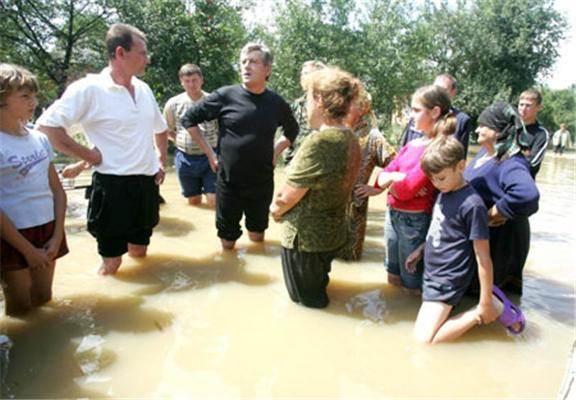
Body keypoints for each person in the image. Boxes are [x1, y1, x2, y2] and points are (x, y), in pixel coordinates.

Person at [37, 23, 168, 276]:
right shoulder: (89, 89)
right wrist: (89, 156)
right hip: (112, 186)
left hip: (145, 183)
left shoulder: (143, 89)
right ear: (121, 53)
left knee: (140, 252)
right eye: (142, 53)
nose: (147, 59)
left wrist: (161, 160)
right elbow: (48, 127)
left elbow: (159, 129)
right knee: (112, 263)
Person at [181, 42, 299, 250]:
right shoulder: (225, 96)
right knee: (227, 242)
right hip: (229, 181)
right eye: (243, 62)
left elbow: (292, 131)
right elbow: (189, 119)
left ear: (267, 69)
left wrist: (276, 151)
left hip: (261, 182)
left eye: (253, 62)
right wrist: (210, 153)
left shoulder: (276, 103)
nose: (246, 66)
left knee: (257, 237)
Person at [270, 67, 362, 308]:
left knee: (307, 304)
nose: (306, 105)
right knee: (317, 294)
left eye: (308, 98)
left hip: (305, 241)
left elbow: (287, 196)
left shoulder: (321, 141)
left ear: (320, 100)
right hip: (332, 234)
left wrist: (276, 211)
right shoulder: (350, 138)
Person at [411, 136, 511, 343]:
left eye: (441, 178)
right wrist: (421, 249)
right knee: (423, 338)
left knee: (423, 342)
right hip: (433, 271)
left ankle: (480, 311)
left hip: (448, 277)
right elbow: (440, 228)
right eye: (432, 179)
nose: (436, 184)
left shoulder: (472, 205)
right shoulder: (445, 192)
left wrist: (484, 303)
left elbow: (483, 256)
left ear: (461, 166)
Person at [357, 85, 454, 295]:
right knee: (392, 276)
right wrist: (391, 179)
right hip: (393, 215)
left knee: (411, 285)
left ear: (435, 112)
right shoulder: (413, 144)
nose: (411, 115)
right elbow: (386, 173)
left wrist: (389, 184)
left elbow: (406, 190)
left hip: (415, 221)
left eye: (416, 110)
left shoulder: (438, 147)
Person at [0, 63, 69, 316]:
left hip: (47, 227)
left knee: (43, 298)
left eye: (34, 95)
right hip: (11, 234)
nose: (33, 102)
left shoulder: (38, 138)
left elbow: (57, 190)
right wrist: (27, 250)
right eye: (24, 96)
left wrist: (57, 235)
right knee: (20, 307)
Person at [464, 101, 540, 294]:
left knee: (492, 299)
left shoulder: (510, 161)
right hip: (485, 239)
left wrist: (493, 214)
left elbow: (527, 195)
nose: (477, 129)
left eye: (484, 125)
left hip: (503, 242)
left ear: (498, 131)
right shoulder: (486, 153)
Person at [340, 89, 396, 261]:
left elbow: (396, 165)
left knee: (350, 259)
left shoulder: (373, 137)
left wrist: (377, 188)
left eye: (349, 103)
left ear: (362, 108)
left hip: (354, 208)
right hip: (328, 207)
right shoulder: (334, 130)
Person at [164, 64, 219, 207]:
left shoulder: (213, 101)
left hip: (211, 156)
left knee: (214, 200)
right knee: (193, 201)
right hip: (185, 157)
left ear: (201, 80)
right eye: (187, 81)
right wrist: (180, 141)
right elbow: (168, 130)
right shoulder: (173, 104)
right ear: (181, 82)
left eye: (194, 80)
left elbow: (222, 130)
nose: (191, 84)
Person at [399, 73, 472, 156]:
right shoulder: (418, 115)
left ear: (453, 92)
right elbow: (404, 147)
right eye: (435, 88)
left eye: (443, 90)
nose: (437, 93)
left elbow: (460, 158)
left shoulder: (461, 120)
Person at [282, 60, 326, 164]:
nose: (302, 77)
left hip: (319, 163)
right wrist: (288, 156)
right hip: (296, 164)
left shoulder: (329, 103)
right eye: (302, 74)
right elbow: (289, 132)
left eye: (306, 73)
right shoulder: (297, 104)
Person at [517, 88, 549, 178]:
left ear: (539, 108)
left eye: (528, 106)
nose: (523, 109)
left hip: (522, 182)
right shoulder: (509, 126)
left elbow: (533, 162)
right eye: (521, 104)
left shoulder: (541, 134)